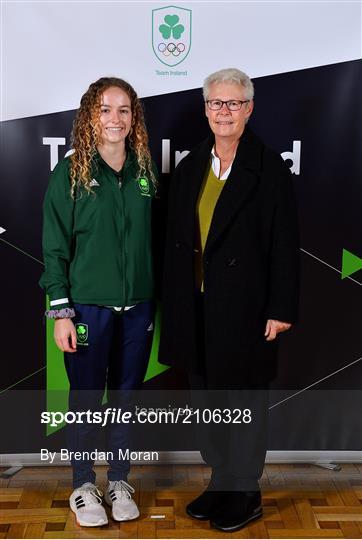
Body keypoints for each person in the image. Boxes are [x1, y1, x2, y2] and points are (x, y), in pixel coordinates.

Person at [158, 68, 299, 532]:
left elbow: (284, 243)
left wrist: (281, 308)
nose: (225, 112)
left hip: (247, 310)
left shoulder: (270, 169)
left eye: (234, 103)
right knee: (206, 399)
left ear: (249, 109)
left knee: (243, 402)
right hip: (195, 308)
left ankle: (245, 490)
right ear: (205, 109)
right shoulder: (191, 165)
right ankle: (221, 480)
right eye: (217, 103)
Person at [40, 77, 157, 527]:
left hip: (139, 308)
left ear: (134, 118)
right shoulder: (69, 173)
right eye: (106, 109)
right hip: (88, 309)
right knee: (86, 398)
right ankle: (83, 483)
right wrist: (61, 311)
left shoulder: (144, 170)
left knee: (127, 398)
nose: (115, 119)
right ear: (91, 115)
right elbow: (54, 249)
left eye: (124, 110)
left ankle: (120, 480)